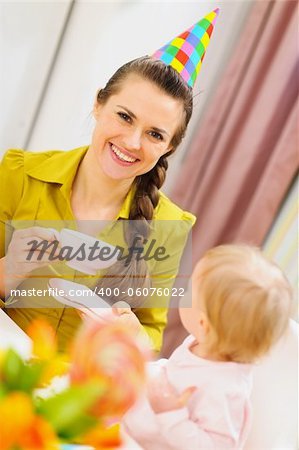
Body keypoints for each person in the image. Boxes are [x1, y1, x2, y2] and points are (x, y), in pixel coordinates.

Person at [0, 10, 219, 352]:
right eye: (124, 116)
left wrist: (131, 336)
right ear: (99, 103)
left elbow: (151, 337)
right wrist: (8, 270)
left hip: (79, 394)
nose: (132, 142)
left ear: (169, 147)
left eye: (155, 134)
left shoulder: (171, 227)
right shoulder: (19, 173)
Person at [123, 244, 292, 449]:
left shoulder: (224, 389)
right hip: (133, 427)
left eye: (189, 290)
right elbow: (176, 375)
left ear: (204, 324)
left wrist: (171, 414)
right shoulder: (205, 344)